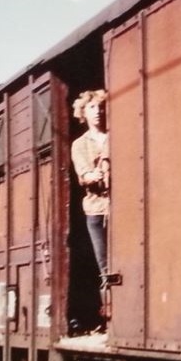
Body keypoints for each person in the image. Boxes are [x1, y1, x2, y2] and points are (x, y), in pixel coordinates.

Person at [71, 89, 110, 296]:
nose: (98, 111)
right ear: (83, 113)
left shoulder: (114, 136)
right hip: (96, 209)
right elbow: (84, 174)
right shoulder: (79, 144)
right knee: (104, 264)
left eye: (101, 107)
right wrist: (92, 175)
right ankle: (109, 304)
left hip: (118, 207)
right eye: (92, 107)